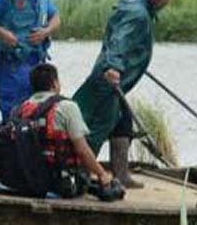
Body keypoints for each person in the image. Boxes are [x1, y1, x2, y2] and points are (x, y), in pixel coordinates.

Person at [73, 0, 177, 187]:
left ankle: (121, 174)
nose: (167, 2)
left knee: (123, 121)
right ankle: (81, 173)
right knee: (99, 124)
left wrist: (136, 61)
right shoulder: (138, 14)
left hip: (117, 75)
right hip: (109, 77)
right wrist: (115, 66)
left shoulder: (136, 1)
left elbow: (122, 37)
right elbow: (120, 38)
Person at [11, 62, 119, 196]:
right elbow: (82, 150)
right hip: (60, 183)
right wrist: (102, 175)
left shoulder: (20, 109)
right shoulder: (67, 106)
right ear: (54, 83)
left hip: (27, 180)